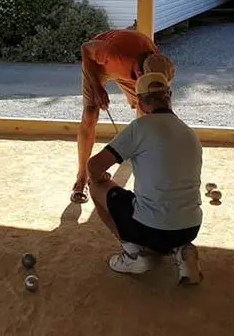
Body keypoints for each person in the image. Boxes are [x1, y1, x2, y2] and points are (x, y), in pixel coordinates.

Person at [85, 72, 203, 285]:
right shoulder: (189, 133)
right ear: (170, 95)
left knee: (96, 186)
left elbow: (93, 166)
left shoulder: (140, 128)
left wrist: (102, 177)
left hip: (151, 229)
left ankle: (133, 255)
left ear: (139, 101)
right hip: (190, 227)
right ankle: (181, 250)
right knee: (164, 205)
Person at [72, 29, 175, 203]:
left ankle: (151, 175)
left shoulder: (158, 65)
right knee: (90, 114)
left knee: (150, 117)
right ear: (140, 74)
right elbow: (85, 49)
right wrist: (97, 87)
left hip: (129, 71)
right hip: (98, 65)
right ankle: (81, 178)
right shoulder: (114, 52)